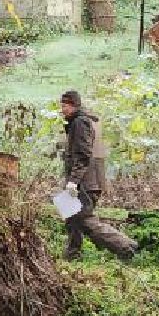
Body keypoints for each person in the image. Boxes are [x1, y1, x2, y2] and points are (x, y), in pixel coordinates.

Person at [59, 90, 135, 262]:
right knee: (70, 218)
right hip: (83, 181)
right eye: (62, 105)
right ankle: (72, 255)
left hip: (84, 184)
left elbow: (83, 155)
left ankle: (126, 246)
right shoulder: (77, 122)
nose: (62, 109)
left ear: (74, 105)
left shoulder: (80, 123)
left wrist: (73, 182)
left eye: (65, 105)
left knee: (85, 220)